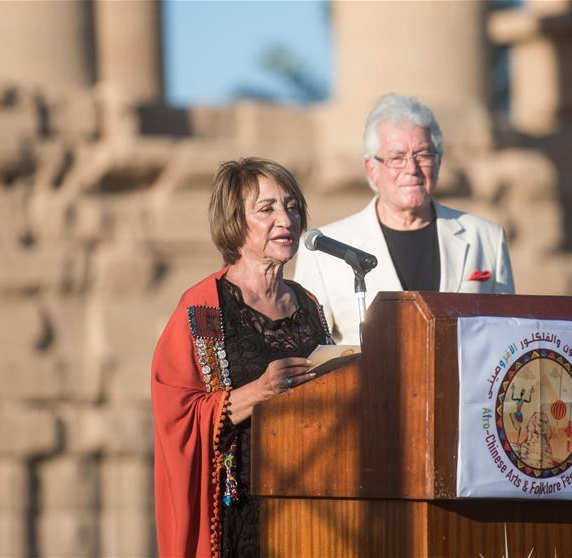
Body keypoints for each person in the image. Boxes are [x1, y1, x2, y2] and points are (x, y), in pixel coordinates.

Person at [151, 158, 333, 558]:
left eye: (292, 206)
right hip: (240, 509)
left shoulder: (310, 304)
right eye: (266, 209)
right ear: (235, 222)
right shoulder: (202, 308)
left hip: (314, 504)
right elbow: (176, 414)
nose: (285, 219)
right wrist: (259, 391)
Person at [294, 93, 515, 344]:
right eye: (397, 158)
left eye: (423, 155)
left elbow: (505, 338)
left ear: (439, 162)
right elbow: (310, 350)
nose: (412, 169)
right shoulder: (324, 249)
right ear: (371, 169)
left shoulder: (487, 238)